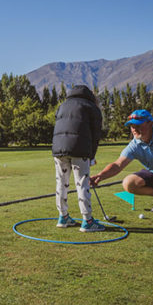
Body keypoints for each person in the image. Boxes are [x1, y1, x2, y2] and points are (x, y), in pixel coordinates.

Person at [51, 85, 104, 232]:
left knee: (61, 183)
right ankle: (87, 221)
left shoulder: (63, 106)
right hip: (80, 149)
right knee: (82, 183)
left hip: (59, 149)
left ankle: (63, 217)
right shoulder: (91, 107)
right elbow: (96, 135)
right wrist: (92, 156)